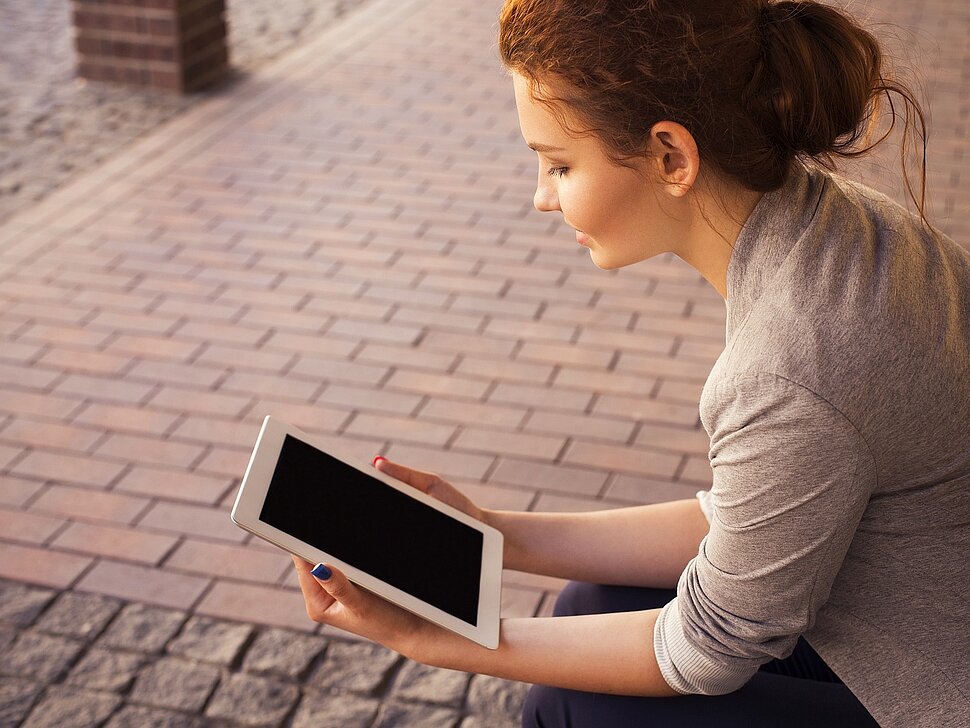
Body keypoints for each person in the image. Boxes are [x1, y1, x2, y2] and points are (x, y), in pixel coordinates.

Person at [290, 1, 970, 726]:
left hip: (931, 685)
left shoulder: (792, 365)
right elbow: (752, 514)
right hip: (906, 622)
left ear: (672, 157)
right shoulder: (837, 225)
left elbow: (708, 649)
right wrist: (490, 532)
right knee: (591, 602)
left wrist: (437, 639)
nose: (542, 198)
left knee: (570, 708)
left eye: (559, 165)